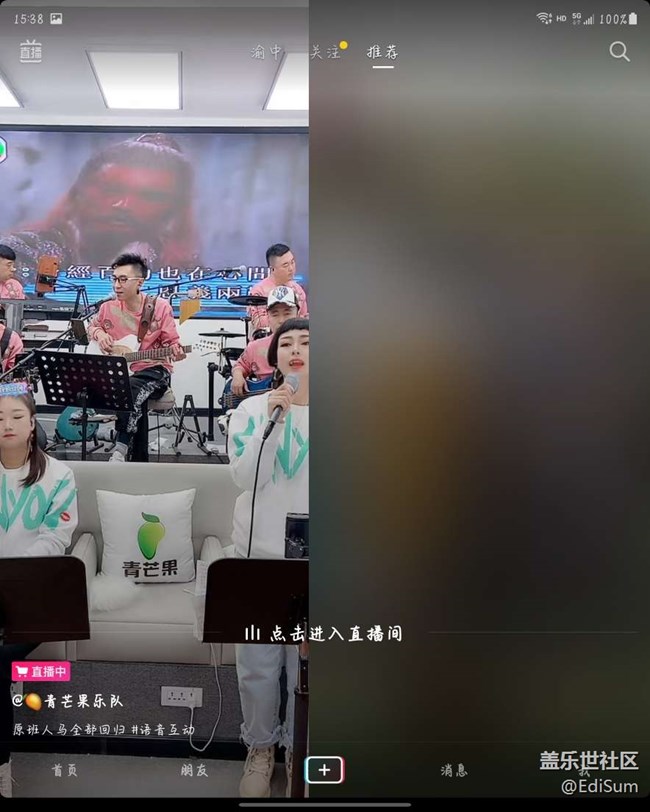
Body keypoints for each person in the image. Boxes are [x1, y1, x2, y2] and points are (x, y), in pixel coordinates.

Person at [228, 317, 309, 798]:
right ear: (274, 356)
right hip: (257, 553)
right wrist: (273, 424)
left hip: (315, 560)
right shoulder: (253, 410)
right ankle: (260, 749)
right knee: (257, 663)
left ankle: (299, 747)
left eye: (306, 342)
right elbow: (244, 478)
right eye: (287, 343)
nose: (295, 350)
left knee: (306, 666)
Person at [0, 382, 78, 798]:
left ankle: (1, 766)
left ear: (33, 423)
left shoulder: (59, 475)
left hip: (34, 594)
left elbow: (56, 538)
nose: (7, 425)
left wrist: (14, 572)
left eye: (17, 416)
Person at [0, 133, 198, 282]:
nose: (123, 205)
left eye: (149, 196)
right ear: (79, 192)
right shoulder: (21, 250)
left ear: (172, 210)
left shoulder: (182, 267)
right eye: (111, 189)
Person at [87, 252, 186, 462]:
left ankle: (121, 446)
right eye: (114, 279)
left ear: (140, 282)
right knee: (129, 391)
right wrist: (100, 335)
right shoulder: (107, 307)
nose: (117, 285)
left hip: (154, 371)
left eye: (123, 280)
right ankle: (138, 460)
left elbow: (172, 344)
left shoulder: (159, 307)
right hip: (120, 371)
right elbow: (92, 327)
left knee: (130, 387)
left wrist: (177, 352)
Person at [231, 286, 299, 399]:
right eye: (275, 314)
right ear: (268, 317)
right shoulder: (255, 346)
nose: (281, 320)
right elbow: (240, 365)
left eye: (287, 313)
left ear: (298, 313)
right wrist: (237, 376)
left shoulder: (307, 347)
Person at [247, 245, 308, 336]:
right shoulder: (259, 291)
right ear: (272, 269)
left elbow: (303, 318)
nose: (291, 268)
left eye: (292, 262)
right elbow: (259, 323)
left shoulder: (298, 289)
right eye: (285, 265)